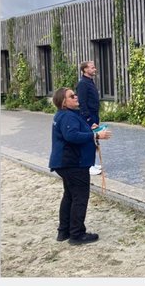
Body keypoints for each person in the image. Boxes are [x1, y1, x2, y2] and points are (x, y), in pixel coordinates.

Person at [49, 87, 113, 244]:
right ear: (64, 102)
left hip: (66, 162)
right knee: (80, 197)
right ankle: (77, 234)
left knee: (70, 195)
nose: (76, 97)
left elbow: (76, 131)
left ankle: (64, 231)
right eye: (72, 96)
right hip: (73, 163)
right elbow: (71, 135)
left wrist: (90, 130)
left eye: (75, 94)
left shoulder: (65, 114)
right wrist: (96, 135)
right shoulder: (67, 116)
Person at [76, 61, 102, 175]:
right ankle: (88, 166)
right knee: (88, 140)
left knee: (93, 140)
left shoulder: (90, 81)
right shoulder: (82, 84)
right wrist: (89, 119)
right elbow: (82, 102)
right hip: (88, 116)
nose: (95, 69)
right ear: (85, 70)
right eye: (92, 67)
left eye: (94, 67)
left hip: (94, 114)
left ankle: (92, 162)